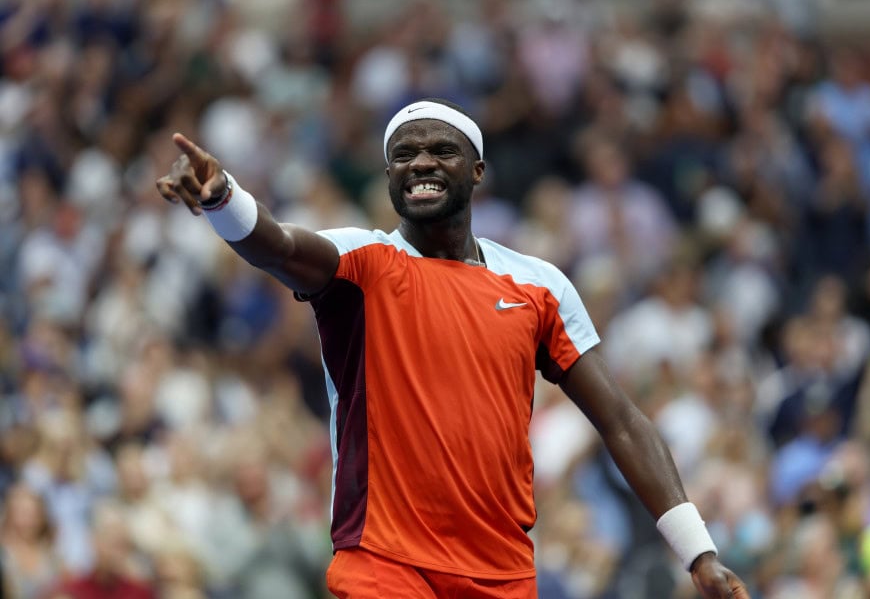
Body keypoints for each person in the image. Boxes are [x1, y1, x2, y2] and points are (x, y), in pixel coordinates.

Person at [156, 98, 749, 598]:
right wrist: (221, 197)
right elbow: (279, 245)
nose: (420, 163)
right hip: (385, 562)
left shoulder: (539, 284)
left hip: (502, 572)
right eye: (403, 154)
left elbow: (620, 420)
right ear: (388, 176)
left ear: (478, 171)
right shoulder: (362, 261)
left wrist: (697, 552)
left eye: (441, 150)